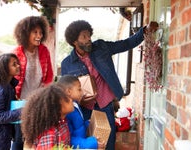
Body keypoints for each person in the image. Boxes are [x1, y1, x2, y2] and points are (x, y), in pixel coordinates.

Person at [61, 20, 159, 150]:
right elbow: (64, 90)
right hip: (84, 109)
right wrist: (78, 99)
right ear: (74, 41)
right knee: (88, 143)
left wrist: (144, 32)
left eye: (89, 35)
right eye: (84, 37)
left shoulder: (101, 47)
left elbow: (125, 44)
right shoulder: (67, 63)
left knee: (108, 140)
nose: (89, 39)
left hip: (105, 105)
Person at [12, 15, 54, 150]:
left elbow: (49, 76)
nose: (39, 35)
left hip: (39, 102)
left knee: (37, 139)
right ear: (25, 33)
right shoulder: (17, 52)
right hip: (21, 102)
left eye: (41, 32)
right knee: (19, 138)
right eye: (35, 32)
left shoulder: (44, 50)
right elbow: (11, 78)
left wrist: (45, 96)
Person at [57, 75, 105, 149]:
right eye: (79, 89)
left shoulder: (75, 104)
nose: (82, 92)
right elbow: (69, 139)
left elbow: (78, 126)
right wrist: (92, 143)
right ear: (69, 92)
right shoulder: (67, 111)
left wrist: (88, 124)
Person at [21, 84, 74, 149]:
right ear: (57, 107)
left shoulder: (62, 122)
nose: (71, 100)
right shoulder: (49, 134)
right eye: (67, 99)